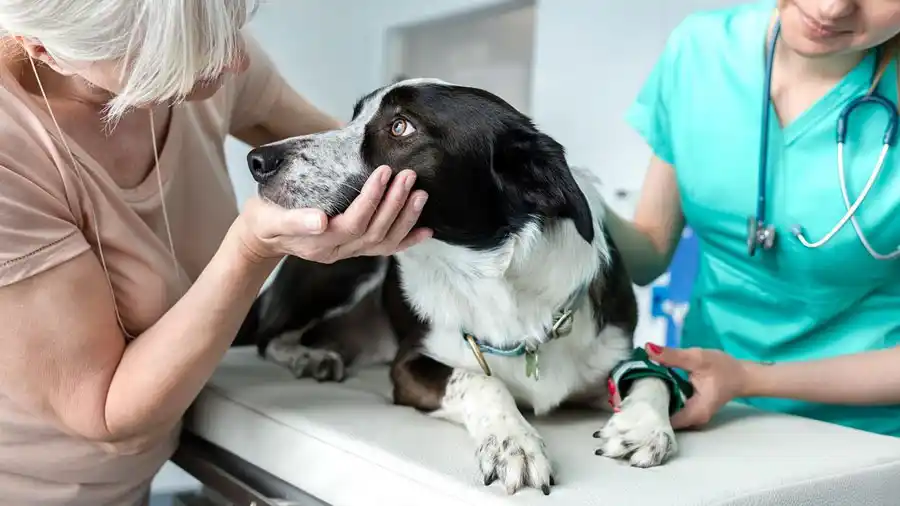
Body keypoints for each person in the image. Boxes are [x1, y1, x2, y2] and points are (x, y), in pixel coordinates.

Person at [0, 1, 431, 504]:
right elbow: (104, 412)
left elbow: (349, 163)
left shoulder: (204, 41)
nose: (236, 62)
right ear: (44, 48)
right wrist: (251, 250)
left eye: (232, 28)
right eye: (191, 56)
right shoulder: (14, 154)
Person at [605, 0, 900, 437]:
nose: (832, 7)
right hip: (703, 415)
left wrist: (747, 377)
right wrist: (571, 192)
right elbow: (648, 253)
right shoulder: (700, 49)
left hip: (863, 439)